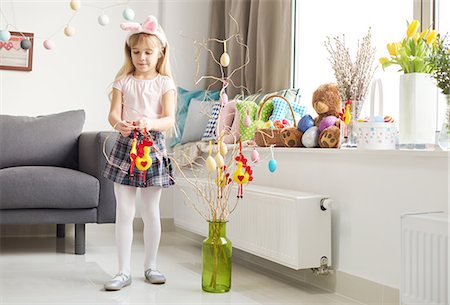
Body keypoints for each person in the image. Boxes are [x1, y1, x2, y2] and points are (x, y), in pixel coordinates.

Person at [102, 15, 176, 291]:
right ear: (129, 53)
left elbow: (168, 119)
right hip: (125, 147)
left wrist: (150, 124)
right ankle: (122, 271)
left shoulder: (165, 83)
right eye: (136, 52)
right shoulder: (123, 81)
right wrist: (118, 123)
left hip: (153, 146)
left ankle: (151, 265)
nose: (141, 58)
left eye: (148, 52)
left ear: (160, 53)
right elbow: (112, 113)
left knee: (150, 210)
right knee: (124, 211)